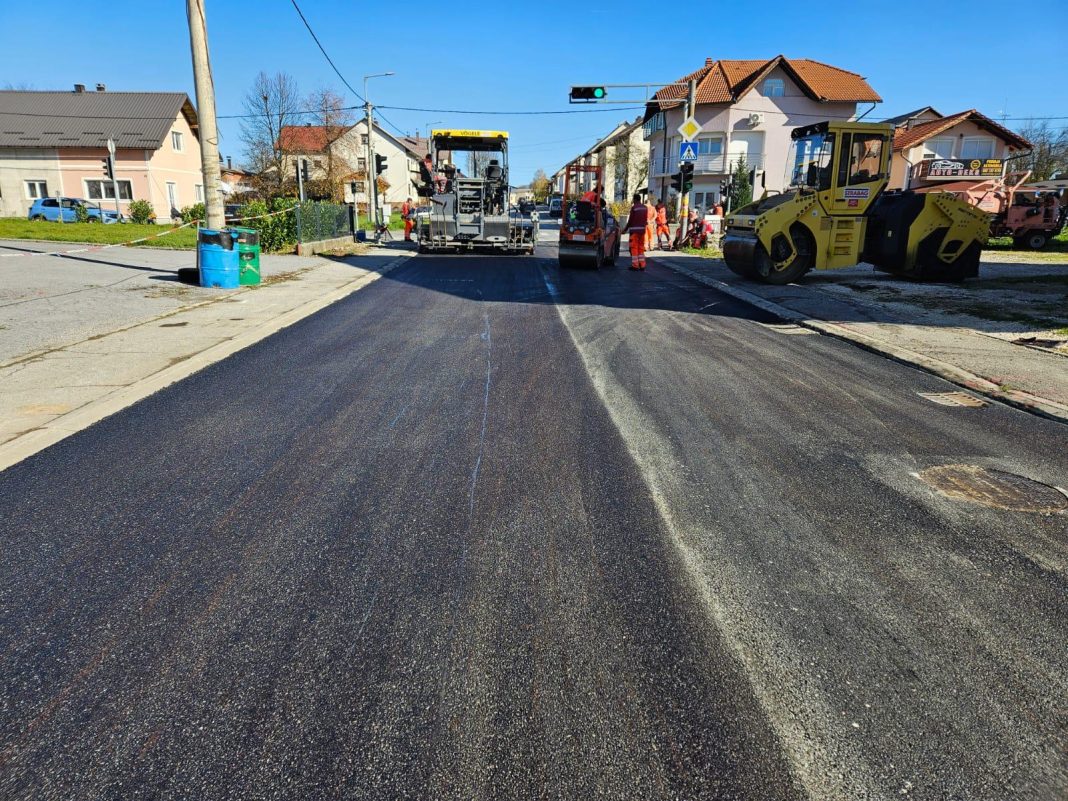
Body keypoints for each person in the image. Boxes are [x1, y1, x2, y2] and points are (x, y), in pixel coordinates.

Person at [620, 193, 650, 270]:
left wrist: (624, 230)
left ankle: (635, 265)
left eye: (633, 199)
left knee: (634, 248)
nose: (633, 201)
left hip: (634, 231)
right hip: (642, 231)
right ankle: (642, 265)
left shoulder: (634, 208)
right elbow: (645, 219)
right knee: (641, 248)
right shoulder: (645, 208)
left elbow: (630, 221)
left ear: (635, 199)